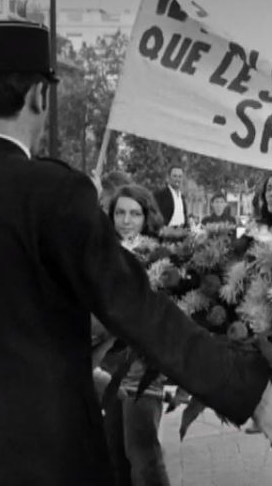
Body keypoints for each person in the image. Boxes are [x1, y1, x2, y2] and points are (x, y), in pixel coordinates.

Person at [0, 20, 272, 485]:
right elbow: (138, 310)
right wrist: (254, 394)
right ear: (39, 96)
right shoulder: (51, 192)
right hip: (38, 452)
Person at [103, 184, 173, 486]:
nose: (127, 221)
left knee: (142, 454)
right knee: (114, 452)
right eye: (120, 213)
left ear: (147, 217)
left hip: (143, 365)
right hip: (108, 363)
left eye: (134, 213)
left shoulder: (161, 258)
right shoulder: (100, 253)